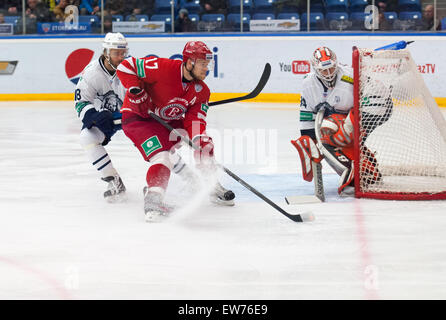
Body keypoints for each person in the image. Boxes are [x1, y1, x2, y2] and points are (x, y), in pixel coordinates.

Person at [116, 40, 235, 221]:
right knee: (162, 157)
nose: (206, 69)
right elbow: (126, 66)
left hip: (166, 121)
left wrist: (199, 138)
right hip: (139, 119)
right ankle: (153, 200)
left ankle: (211, 185)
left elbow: (194, 119)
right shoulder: (163, 67)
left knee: (204, 144)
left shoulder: (201, 91)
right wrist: (135, 90)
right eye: (203, 64)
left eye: (208, 64)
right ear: (189, 62)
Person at [291, 47, 383, 196]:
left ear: (336, 63)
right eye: (323, 70)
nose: (328, 73)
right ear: (315, 69)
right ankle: (365, 169)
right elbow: (307, 113)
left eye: (331, 68)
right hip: (341, 118)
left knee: (332, 135)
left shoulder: (350, 75)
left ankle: (356, 171)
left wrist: (352, 123)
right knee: (326, 137)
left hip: (366, 113)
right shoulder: (308, 84)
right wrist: (311, 142)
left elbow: (376, 98)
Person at [74, 33, 129, 202]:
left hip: (131, 115)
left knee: (159, 140)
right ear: (106, 53)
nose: (121, 57)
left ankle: (185, 173)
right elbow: (81, 102)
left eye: (123, 53)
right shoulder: (91, 73)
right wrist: (94, 116)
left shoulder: (132, 67)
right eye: (116, 53)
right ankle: (114, 180)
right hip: (108, 119)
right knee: (86, 137)